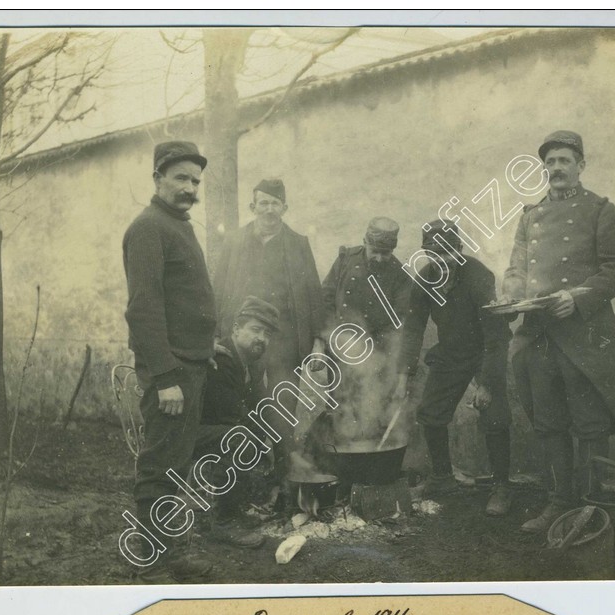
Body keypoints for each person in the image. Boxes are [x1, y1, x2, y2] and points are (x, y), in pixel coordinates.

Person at [502, 130, 615, 533]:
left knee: (589, 424)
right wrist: (511, 292)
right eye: (550, 163)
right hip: (539, 335)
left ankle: (589, 510)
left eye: (564, 161)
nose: (556, 169)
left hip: (583, 336)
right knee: (549, 423)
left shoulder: (601, 210)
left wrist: (579, 298)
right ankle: (559, 503)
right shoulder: (530, 216)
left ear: (581, 166)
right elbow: (517, 267)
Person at [122, 140, 216, 581]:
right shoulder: (148, 228)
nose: (190, 188)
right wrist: (165, 377)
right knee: (161, 461)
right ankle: (151, 557)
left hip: (189, 362)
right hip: (171, 371)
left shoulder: (179, 225)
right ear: (158, 178)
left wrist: (204, 344)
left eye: (195, 181)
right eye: (180, 177)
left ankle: (171, 549)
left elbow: (182, 299)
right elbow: (144, 308)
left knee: (177, 461)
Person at [396, 220, 513, 515]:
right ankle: (442, 478)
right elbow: (413, 328)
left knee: (494, 414)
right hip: (450, 353)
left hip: (483, 352)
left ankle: (502, 486)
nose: (440, 261)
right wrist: (403, 375)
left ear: (459, 251)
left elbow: (495, 334)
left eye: (446, 253)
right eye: (433, 254)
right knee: (431, 413)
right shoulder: (425, 278)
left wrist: (486, 383)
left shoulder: (477, 275)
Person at [213, 178, 325, 477]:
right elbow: (219, 287)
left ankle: (284, 476)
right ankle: (244, 475)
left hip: (284, 341)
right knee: (239, 404)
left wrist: (317, 341)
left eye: (275, 203)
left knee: (282, 405)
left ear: (284, 208)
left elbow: (314, 293)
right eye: (263, 203)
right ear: (253, 206)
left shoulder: (298, 243)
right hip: (240, 339)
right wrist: (214, 334)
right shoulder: (235, 241)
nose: (269, 209)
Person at [192, 296, 281, 548]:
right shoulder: (222, 358)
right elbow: (228, 414)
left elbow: (263, 407)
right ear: (235, 329)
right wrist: (261, 441)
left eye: (267, 334)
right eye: (255, 329)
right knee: (239, 438)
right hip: (188, 433)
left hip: (215, 429)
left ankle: (234, 510)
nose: (261, 338)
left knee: (246, 434)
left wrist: (279, 440)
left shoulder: (250, 363)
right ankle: (223, 522)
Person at [321, 217, 411, 443]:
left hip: (376, 357)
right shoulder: (345, 260)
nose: (380, 258)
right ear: (364, 242)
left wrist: (390, 369)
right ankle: (340, 468)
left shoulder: (400, 277)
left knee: (371, 411)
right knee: (340, 408)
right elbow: (325, 301)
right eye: (375, 252)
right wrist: (323, 342)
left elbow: (400, 328)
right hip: (340, 350)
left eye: (386, 253)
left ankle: (368, 468)